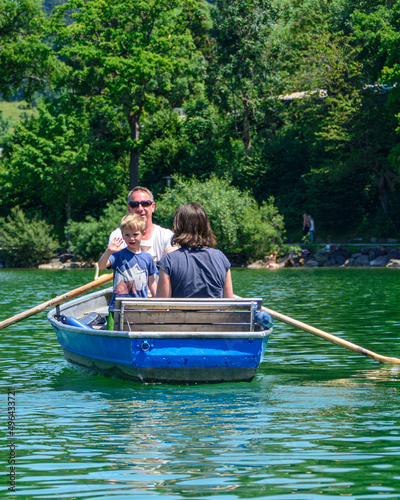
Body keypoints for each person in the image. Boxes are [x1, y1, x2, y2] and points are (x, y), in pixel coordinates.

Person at [156, 203, 233, 299]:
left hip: (179, 314)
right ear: (205, 227)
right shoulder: (221, 258)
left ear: (179, 227)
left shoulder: (168, 261)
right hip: (214, 314)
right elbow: (229, 306)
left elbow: (160, 307)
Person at [99, 214, 157, 321]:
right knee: (113, 336)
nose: (131, 238)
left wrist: (158, 302)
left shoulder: (148, 258)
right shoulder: (118, 255)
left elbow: (152, 282)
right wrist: (108, 251)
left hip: (140, 308)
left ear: (143, 234)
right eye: (127, 235)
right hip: (117, 309)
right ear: (122, 235)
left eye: (135, 234)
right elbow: (101, 265)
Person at [108, 186, 174, 263]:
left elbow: (175, 261)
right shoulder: (118, 236)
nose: (140, 209)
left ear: (153, 207)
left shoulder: (166, 235)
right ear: (129, 209)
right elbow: (108, 263)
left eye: (145, 204)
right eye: (134, 205)